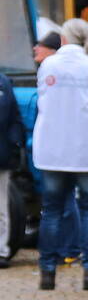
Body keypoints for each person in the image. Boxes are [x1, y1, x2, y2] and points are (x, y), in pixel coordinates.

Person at [34, 19, 88, 291]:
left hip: (54, 148)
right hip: (86, 148)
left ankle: (47, 271)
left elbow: (43, 94)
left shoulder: (49, 65)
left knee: (52, 211)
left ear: (64, 39)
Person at [31, 31, 82, 264]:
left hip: (59, 147)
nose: (35, 49)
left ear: (52, 50)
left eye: (40, 45)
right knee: (60, 201)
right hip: (54, 146)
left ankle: (67, 249)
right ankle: (61, 250)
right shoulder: (47, 71)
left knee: (63, 201)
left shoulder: (55, 73)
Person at [0, 68, 25, 268]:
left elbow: (14, 117)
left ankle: (1, 250)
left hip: (2, 154)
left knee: (1, 206)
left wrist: (15, 143)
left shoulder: (4, 83)